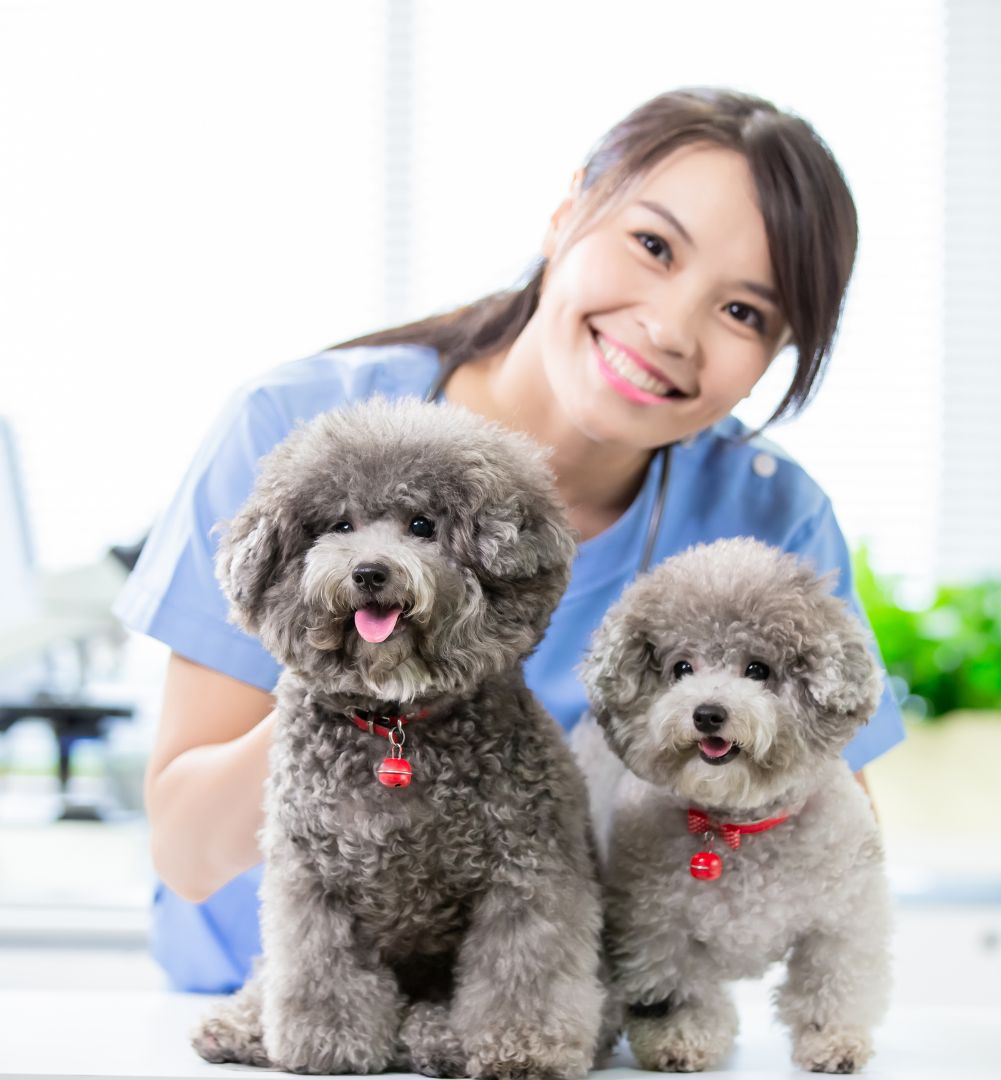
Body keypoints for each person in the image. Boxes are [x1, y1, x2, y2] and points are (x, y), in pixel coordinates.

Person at [115, 87, 904, 993]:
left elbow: (835, 854)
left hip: (539, 1028)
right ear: (568, 210)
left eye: (744, 314)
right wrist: (382, 689)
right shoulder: (295, 430)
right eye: (652, 246)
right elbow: (185, 851)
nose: (669, 327)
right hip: (276, 1015)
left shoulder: (770, 518)